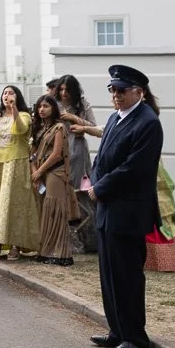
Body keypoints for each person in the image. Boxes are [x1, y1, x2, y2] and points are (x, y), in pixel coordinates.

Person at [89, 64, 165, 348]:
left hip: (128, 210)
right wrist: (95, 183)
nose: (116, 95)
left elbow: (135, 168)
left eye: (122, 90)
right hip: (108, 208)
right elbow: (102, 159)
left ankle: (135, 337)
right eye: (112, 90)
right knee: (109, 274)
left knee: (127, 276)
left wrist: (101, 187)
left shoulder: (147, 122)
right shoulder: (115, 118)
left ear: (139, 92)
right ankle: (117, 330)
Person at [0, 86, 40, 259]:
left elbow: (19, 129)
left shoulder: (25, 115)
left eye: (11, 93)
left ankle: (16, 245)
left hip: (16, 165)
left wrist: (14, 110)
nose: (7, 96)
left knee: (14, 204)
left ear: (17, 97)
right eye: (5, 93)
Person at [54, 73, 100, 257]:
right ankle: (61, 238)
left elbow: (95, 127)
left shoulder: (83, 104)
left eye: (67, 90)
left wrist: (74, 118)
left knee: (80, 194)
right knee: (59, 194)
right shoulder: (53, 103)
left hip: (77, 151)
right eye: (61, 89)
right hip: (57, 151)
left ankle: (86, 239)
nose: (64, 93)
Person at [29, 94, 75, 265]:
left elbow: (56, 155)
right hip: (40, 173)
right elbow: (31, 155)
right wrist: (34, 173)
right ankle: (44, 251)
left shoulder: (59, 127)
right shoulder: (37, 128)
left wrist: (39, 171)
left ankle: (60, 254)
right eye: (40, 106)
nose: (42, 109)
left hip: (56, 171)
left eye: (46, 106)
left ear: (53, 108)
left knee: (55, 209)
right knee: (44, 210)